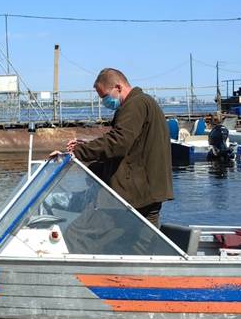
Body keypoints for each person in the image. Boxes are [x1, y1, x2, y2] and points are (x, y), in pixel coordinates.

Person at [56, 67, 173, 227]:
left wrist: (77, 152)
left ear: (118, 87)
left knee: (78, 235)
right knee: (141, 244)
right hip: (149, 192)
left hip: (135, 194)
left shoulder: (135, 104)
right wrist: (87, 145)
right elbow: (132, 144)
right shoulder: (146, 103)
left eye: (104, 96)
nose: (104, 101)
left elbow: (118, 142)